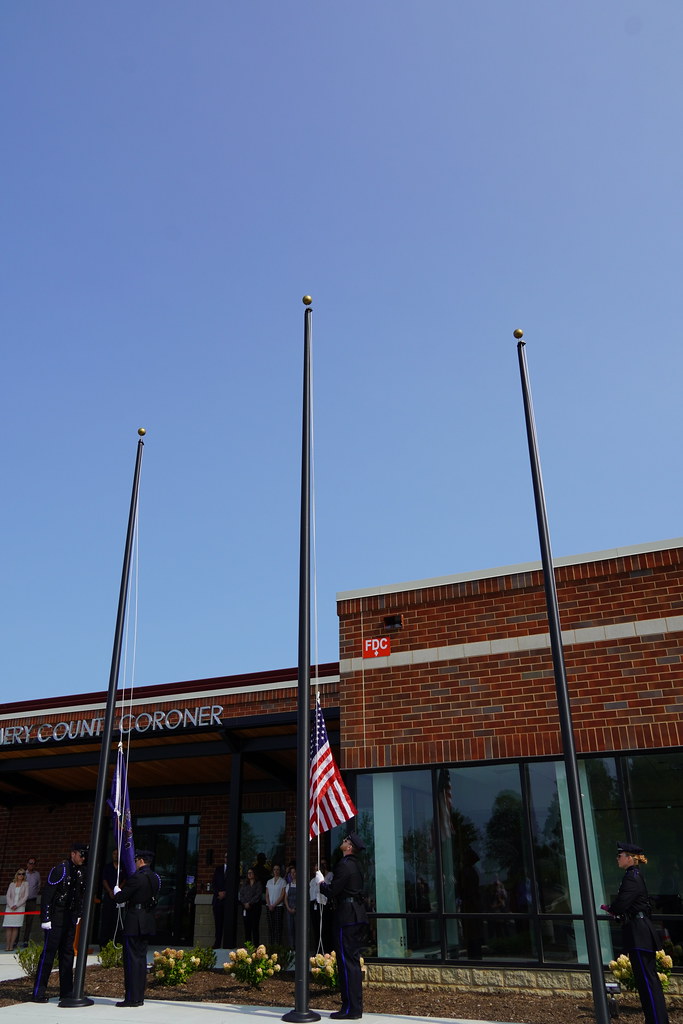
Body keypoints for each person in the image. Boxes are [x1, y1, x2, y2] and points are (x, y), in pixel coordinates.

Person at [602, 841, 669, 1024]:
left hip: (639, 934)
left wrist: (613, 909)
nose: (617, 858)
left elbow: (622, 902)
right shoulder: (634, 875)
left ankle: (656, 1021)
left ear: (630, 858)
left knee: (647, 983)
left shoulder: (631, 877)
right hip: (640, 930)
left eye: (620, 855)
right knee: (647, 981)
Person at [319, 832, 368, 1020]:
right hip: (356, 915)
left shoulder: (345, 865)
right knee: (353, 962)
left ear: (349, 848)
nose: (343, 841)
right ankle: (354, 1006)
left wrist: (321, 882)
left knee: (346, 963)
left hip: (346, 916)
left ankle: (350, 1009)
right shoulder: (357, 865)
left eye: (346, 841)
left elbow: (332, 891)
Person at [32, 842, 88, 1003]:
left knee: (67, 954)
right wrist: (46, 918)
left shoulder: (80, 872)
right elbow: (48, 895)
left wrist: (78, 913)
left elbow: (79, 895)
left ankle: (66, 991)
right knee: (49, 954)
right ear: (73, 854)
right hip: (56, 916)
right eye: (81, 854)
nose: (83, 858)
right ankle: (38, 992)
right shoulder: (61, 869)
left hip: (69, 916)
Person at [113, 848, 161, 1008]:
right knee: (140, 960)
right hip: (147, 920)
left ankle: (132, 997)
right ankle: (139, 996)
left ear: (140, 860)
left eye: (135, 860)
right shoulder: (155, 877)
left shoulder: (137, 878)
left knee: (131, 961)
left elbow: (120, 898)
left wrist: (117, 892)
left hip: (135, 921)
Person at [100, 848, 125, 948]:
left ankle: (115, 943)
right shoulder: (107, 867)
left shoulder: (123, 867)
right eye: (114, 854)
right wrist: (110, 891)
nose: (115, 856)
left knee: (117, 921)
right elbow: (104, 880)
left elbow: (125, 880)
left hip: (119, 896)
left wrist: (118, 889)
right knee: (106, 920)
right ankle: (104, 944)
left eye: (117, 854)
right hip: (108, 896)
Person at [3, 869, 29, 950]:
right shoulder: (12, 884)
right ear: (16, 875)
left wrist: (17, 905)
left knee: (15, 927)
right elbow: (8, 895)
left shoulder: (26, 884)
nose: (21, 875)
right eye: (19, 874)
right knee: (8, 926)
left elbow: (25, 896)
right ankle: (7, 945)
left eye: (22, 874)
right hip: (10, 907)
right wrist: (11, 905)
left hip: (19, 907)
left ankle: (11, 945)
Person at [238, 868, 263, 945]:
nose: (249, 874)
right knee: (247, 927)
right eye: (248, 873)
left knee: (254, 927)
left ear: (254, 874)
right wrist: (245, 903)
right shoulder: (245, 884)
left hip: (255, 908)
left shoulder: (258, 884)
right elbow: (241, 894)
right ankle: (248, 946)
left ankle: (256, 946)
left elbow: (258, 895)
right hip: (245, 908)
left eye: (251, 872)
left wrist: (250, 903)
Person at [21, 857, 41, 947]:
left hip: (32, 900)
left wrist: (35, 894)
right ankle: (15, 941)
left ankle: (25, 940)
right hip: (22, 901)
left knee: (29, 921)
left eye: (33, 863)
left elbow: (38, 886)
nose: (31, 865)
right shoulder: (23, 874)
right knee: (19, 921)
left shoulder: (37, 875)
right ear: (27, 864)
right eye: (30, 863)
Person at [211, 850, 229, 948]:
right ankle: (217, 943)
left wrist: (226, 893)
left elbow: (234, 884)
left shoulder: (234, 870)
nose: (227, 859)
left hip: (227, 902)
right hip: (217, 900)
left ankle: (226, 944)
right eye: (226, 857)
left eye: (229, 857)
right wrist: (219, 892)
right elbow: (213, 883)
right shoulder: (218, 869)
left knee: (227, 923)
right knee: (218, 923)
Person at [266, 863, 286, 945]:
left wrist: (274, 905)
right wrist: (269, 904)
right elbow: (267, 895)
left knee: (278, 927)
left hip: (278, 907)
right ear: (273, 871)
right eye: (274, 869)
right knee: (271, 927)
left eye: (277, 869)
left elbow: (282, 895)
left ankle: (277, 946)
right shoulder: (269, 881)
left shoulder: (283, 881)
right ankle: (271, 945)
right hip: (269, 907)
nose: (276, 871)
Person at [284, 865, 297, 947]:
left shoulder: (301, 885)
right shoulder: (288, 885)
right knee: (290, 929)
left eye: (294, 872)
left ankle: (298, 947)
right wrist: (288, 908)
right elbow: (285, 898)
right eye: (291, 873)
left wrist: (295, 908)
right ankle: (291, 948)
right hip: (289, 910)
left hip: (297, 910)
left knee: (297, 929)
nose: (293, 874)